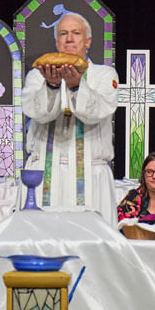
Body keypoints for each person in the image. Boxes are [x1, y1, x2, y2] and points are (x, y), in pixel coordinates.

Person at [23, 12, 119, 223]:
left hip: (91, 174)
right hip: (45, 173)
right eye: (63, 34)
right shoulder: (37, 75)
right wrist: (52, 86)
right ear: (57, 41)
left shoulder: (104, 75)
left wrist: (76, 86)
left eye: (76, 33)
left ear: (88, 41)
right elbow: (36, 112)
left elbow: (97, 113)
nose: (69, 39)